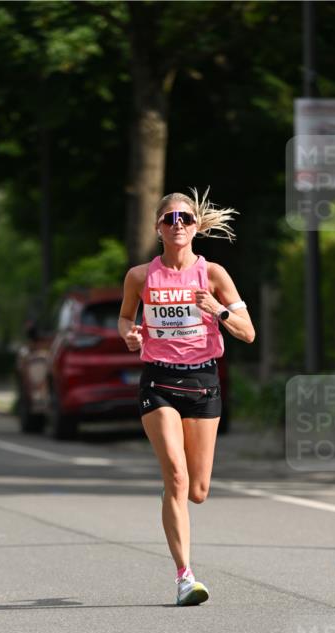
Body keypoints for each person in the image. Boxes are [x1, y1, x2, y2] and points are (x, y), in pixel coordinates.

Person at [119, 189, 255, 606]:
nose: (177, 224)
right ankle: (184, 577)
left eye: (185, 218)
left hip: (203, 383)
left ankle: (172, 495)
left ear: (196, 227)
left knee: (197, 490)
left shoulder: (213, 274)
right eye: (169, 219)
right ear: (158, 228)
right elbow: (126, 317)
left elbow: (248, 332)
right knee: (176, 475)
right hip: (159, 382)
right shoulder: (141, 276)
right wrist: (129, 333)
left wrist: (219, 310)